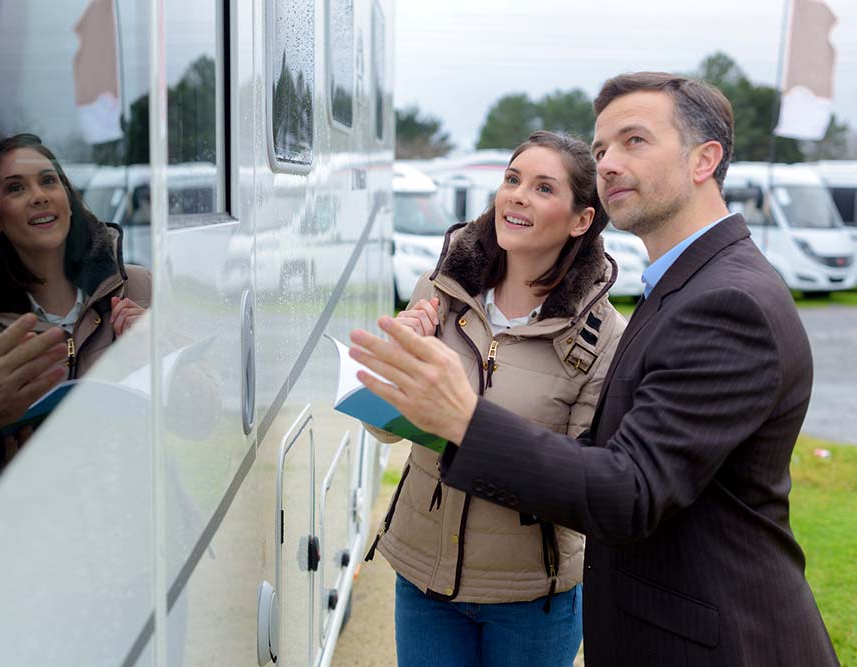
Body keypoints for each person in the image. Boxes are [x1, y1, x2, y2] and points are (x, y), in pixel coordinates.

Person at [350, 73, 839, 666]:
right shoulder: (676, 286)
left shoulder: (723, 302)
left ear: (704, 159)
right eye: (603, 147)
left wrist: (463, 418)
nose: (608, 162)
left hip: (702, 639)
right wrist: (403, 380)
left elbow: (627, 491)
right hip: (432, 577)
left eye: (635, 141)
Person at [365, 131, 625, 667]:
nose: (517, 196)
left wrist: (463, 417)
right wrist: (403, 357)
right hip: (423, 581)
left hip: (531, 598)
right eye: (512, 179)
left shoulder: (604, 336)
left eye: (543, 187)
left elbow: (580, 483)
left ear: (581, 220)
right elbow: (385, 429)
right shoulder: (438, 290)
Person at [0, 133, 151, 498]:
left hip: (144, 532)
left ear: (68, 199)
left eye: (49, 180)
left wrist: (163, 352)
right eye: (16, 188)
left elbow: (202, 421)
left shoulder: (138, 287)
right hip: (31, 539)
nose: (40, 195)